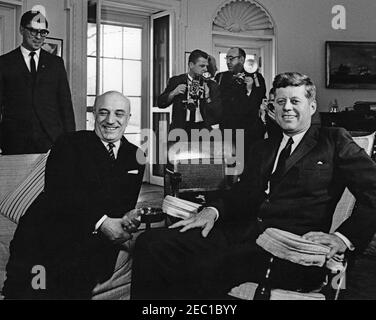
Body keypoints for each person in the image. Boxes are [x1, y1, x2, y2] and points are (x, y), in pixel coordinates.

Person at [131, 72, 376, 299]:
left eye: (295, 101)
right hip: (239, 233)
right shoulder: (264, 146)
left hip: (287, 247)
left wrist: (342, 238)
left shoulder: (333, 141)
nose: (287, 108)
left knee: (201, 266)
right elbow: (243, 193)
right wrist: (212, 210)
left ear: (312, 106)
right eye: (280, 102)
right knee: (151, 244)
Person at [3, 91, 145, 299]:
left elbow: (122, 205)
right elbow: (59, 194)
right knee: (31, 290)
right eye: (103, 112)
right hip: (47, 235)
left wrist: (127, 219)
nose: (110, 120)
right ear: (94, 114)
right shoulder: (69, 143)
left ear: (128, 118)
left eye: (119, 114)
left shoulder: (137, 156)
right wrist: (103, 222)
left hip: (93, 245)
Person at [0, 10, 75, 155]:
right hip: (14, 141)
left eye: (43, 32)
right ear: (21, 29)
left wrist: (70, 140)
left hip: (52, 139)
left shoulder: (56, 63)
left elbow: (65, 105)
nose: (39, 37)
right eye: (33, 31)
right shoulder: (4, 63)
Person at [157, 49, 221, 133]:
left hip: (203, 130)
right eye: (202, 66)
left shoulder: (211, 85)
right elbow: (161, 103)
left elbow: (217, 114)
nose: (205, 69)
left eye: (206, 66)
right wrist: (173, 93)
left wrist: (208, 96)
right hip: (180, 130)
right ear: (191, 65)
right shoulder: (177, 81)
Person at [215, 47, 266, 151]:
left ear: (242, 60)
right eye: (227, 58)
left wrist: (249, 89)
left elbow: (258, 101)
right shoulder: (221, 77)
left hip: (249, 132)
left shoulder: (256, 77)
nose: (228, 62)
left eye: (231, 58)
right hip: (227, 131)